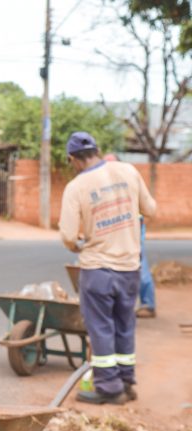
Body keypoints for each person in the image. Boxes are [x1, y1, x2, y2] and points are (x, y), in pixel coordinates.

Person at [59, 132, 156, 405]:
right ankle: (127, 381)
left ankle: (109, 388)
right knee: (125, 326)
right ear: (98, 150)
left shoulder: (76, 187)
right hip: (129, 268)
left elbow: (68, 235)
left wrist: (79, 244)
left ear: (73, 160)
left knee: (101, 328)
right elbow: (151, 209)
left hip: (97, 269)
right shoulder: (128, 171)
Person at [102, 154, 156, 318]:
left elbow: (148, 208)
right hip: (112, 230)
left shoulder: (130, 181)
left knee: (138, 263)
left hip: (132, 227)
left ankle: (148, 303)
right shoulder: (101, 185)